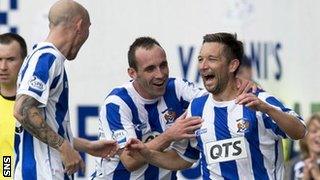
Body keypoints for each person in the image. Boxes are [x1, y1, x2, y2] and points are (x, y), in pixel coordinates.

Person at [125, 32, 306, 180]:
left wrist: (268, 109)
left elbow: (300, 132)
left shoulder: (258, 99)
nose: (203, 66)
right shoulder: (197, 108)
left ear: (232, 65)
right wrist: (148, 154)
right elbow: (182, 159)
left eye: (212, 59)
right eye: (201, 59)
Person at [92, 36, 257, 179]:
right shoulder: (117, 104)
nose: (160, 74)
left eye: (163, 65)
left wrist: (237, 85)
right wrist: (169, 136)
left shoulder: (177, 88)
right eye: (150, 69)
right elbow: (130, 161)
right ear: (132, 73)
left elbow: (217, 100)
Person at [13, 1, 118, 179]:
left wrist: (87, 146)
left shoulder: (42, 57)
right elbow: (22, 110)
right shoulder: (47, 58)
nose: (87, 36)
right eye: (88, 29)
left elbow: (46, 122)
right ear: (79, 25)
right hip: (43, 173)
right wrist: (64, 147)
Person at [0, 33, 27, 179]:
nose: (3, 67)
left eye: (10, 59)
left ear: (24, 61)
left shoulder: (36, 102)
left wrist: (87, 146)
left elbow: (53, 135)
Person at [286, 113, 320, 180]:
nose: (319, 135)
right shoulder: (296, 164)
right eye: (314, 131)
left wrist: (317, 176)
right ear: (305, 138)